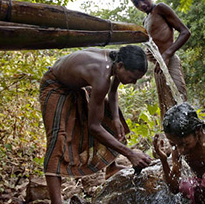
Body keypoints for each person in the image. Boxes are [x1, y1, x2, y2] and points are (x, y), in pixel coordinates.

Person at [39, 46, 152, 203]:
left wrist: (115, 118)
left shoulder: (118, 58)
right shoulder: (101, 75)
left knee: (111, 113)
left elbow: (112, 93)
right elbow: (94, 127)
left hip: (76, 85)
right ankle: (56, 201)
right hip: (55, 85)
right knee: (57, 140)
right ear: (120, 66)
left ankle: (111, 167)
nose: (133, 82)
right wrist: (130, 154)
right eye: (132, 77)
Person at [127, 0, 191, 120]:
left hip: (170, 61)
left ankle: (194, 136)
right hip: (159, 68)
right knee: (167, 107)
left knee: (180, 101)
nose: (141, 5)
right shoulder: (146, 20)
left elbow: (185, 32)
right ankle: (174, 140)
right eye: (136, 3)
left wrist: (167, 54)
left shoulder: (160, 8)